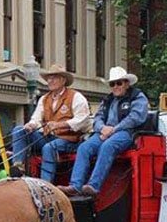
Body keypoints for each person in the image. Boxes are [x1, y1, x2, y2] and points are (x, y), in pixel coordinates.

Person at [61, 67, 149, 197]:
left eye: (119, 83)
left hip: (126, 132)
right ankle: (75, 185)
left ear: (126, 83)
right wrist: (102, 128)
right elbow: (98, 118)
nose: (115, 86)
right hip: (105, 132)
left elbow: (135, 118)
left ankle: (93, 186)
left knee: (108, 146)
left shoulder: (137, 97)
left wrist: (114, 129)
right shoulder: (107, 100)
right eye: (112, 84)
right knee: (84, 147)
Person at [9, 64, 91, 183]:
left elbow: (83, 120)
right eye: (48, 78)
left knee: (49, 148)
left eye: (54, 78)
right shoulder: (44, 99)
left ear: (63, 80)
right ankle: (18, 167)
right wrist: (31, 125)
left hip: (69, 140)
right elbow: (36, 118)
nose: (50, 81)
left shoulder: (76, 97)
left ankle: (44, 184)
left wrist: (60, 125)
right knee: (19, 130)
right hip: (48, 137)